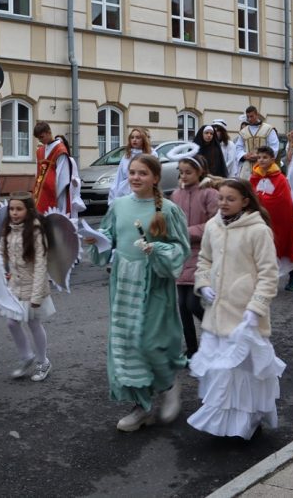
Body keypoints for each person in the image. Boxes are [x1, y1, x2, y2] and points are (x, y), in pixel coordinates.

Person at [86, 154, 190, 431]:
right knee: (128, 345)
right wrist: (95, 240)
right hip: (124, 285)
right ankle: (141, 406)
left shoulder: (168, 210)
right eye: (132, 172)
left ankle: (169, 385)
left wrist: (158, 250)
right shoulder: (119, 205)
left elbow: (181, 249)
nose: (135, 177)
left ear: (155, 178)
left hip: (154, 285)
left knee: (151, 342)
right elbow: (108, 238)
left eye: (142, 173)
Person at [189, 179, 284, 440]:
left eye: (230, 199)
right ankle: (223, 423)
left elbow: (268, 273)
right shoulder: (213, 226)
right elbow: (204, 259)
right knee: (221, 371)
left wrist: (256, 307)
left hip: (244, 316)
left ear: (245, 201)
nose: (223, 203)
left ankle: (247, 422)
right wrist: (203, 284)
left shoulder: (258, 230)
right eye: (221, 198)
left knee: (244, 372)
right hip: (217, 314)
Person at [0, 192, 53, 382]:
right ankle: (26, 356)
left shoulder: (36, 231)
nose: (14, 213)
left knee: (33, 323)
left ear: (28, 211)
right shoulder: (8, 229)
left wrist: (36, 296)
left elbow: (40, 265)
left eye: (19, 209)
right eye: (11, 209)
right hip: (15, 285)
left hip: (33, 286)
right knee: (12, 323)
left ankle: (43, 361)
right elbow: (0, 253)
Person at [169, 154, 219, 358]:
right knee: (182, 306)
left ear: (200, 172)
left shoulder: (209, 194)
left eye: (188, 172)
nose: (183, 176)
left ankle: (217, 334)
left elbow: (215, 223)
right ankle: (191, 349)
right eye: (181, 172)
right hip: (182, 254)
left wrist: (187, 232)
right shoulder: (176, 194)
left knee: (193, 303)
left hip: (202, 253)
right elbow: (172, 219)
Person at [250, 147, 293, 291]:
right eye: (259, 157)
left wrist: (261, 199)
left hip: (280, 220)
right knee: (261, 249)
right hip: (260, 219)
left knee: (284, 245)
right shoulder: (254, 177)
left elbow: (283, 201)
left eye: (265, 157)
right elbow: (250, 195)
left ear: (272, 160)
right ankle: (263, 280)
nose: (261, 160)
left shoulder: (280, 179)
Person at [32, 122, 84, 219]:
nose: (40, 140)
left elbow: (62, 177)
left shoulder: (60, 150)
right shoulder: (40, 151)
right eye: (38, 138)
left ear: (49, 132)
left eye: (42, 137)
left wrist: (53, 194)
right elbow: (38, 173)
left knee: (55, 221)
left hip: (55, 195)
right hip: (41, 193)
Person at [233, 106, 279, 179]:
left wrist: (260, 156)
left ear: (257, 115)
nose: (249, 119)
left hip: (264, 165)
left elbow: (274, 146)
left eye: (251, 116)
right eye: (248, 117)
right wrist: (244, 155)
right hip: (247, 167)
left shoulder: (268, 129)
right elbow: (238, 147)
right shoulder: (243, 132)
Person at [111, 127, 154, 201]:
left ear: (143, 139)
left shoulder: (151, 154)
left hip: (144, 194)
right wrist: (113, 197)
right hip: (125, 194)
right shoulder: (127, 156)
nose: (134, 140)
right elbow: (119, 177)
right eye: (132, 137)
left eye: (138, 137)